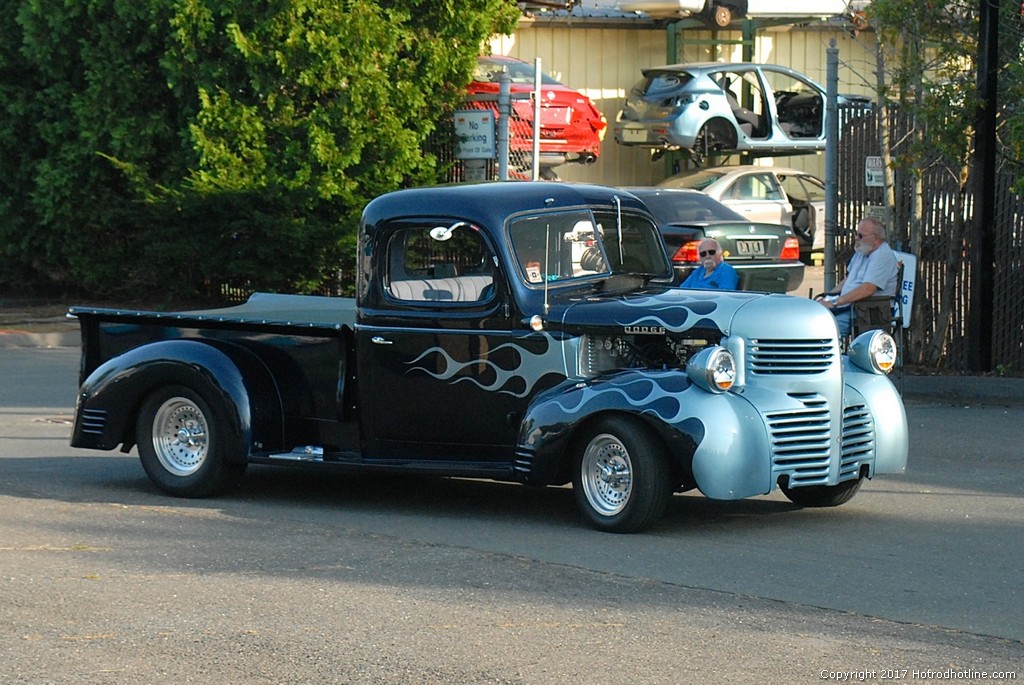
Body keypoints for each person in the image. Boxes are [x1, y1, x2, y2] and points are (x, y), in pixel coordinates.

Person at [816, 217, 899, 336]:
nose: (856, 238)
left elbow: (868, 289)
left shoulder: (882, 256)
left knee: (820, 328)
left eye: (860, 236)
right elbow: (848, 280)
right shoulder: (863, 251)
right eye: (856, 234)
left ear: (875, 239)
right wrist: (828, 297)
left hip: (866, 310)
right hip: (850, 306)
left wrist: (835, 303)